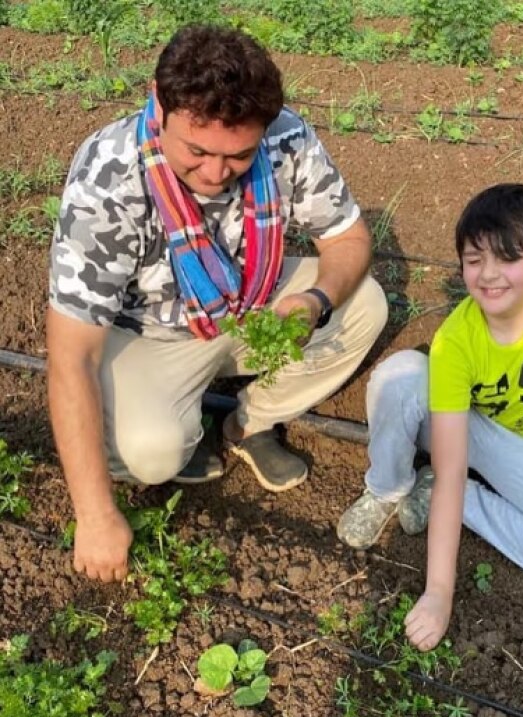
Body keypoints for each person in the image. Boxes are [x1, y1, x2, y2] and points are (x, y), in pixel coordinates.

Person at [47, 25, 387, 584]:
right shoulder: (108, 183)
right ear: (158, 102)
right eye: (197, 150)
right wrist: (96, 515)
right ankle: (179, 422)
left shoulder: (286, 139)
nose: (213, 174)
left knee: (363, 305)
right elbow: (70, 356)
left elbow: (347, 238)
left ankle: (245, 423)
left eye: (237, 156)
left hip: (251, 299)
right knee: (151, 454)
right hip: (148, 334)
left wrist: (313, 299)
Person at [337, 183, 523, 651]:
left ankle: (457, 499)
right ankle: (387, 487)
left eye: (507, 258)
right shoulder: (457, 341)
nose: (488, 275)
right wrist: (438, 594)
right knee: (402, 376)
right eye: (474, 259)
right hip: (472, 430)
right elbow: (452, 467)